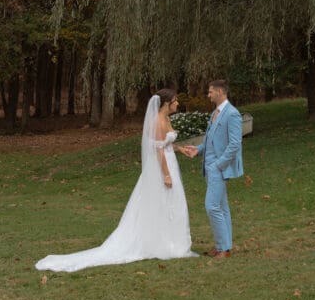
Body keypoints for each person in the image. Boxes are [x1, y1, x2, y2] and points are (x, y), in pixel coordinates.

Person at [35, 89, 198, 272]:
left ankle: (169, 239)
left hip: (170, 163)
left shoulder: (166, 119)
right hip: (163, 168)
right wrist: (166, 175)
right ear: (166, 103)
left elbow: (165, 145)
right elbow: (158, 151)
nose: (178, 104)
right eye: (175, 101)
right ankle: (162, 243)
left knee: (171, 203)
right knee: (162, 202)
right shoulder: (158, 121)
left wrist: (181, 149)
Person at [179, 80, 243, 259]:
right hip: (209, 167)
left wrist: (219, 165)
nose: (208, 95)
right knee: (221, 207)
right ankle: (223, 246)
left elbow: (235, 144)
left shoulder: (232, 114)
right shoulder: (215, 113)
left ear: (221, 92)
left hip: (218, 168)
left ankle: (223, 249)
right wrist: (197, 150)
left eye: (211, 92)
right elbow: (210, 139)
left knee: (212, 206)